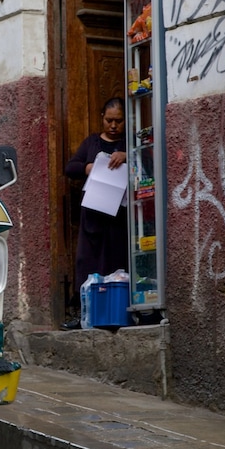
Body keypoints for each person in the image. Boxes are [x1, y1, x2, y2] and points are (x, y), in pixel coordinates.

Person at [61, 97, 128, 330]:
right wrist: (88, 167)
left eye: (118, 121)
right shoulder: (91, 143)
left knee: (117, 264)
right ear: (102, 117)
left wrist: (127, 155)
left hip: (119, 218)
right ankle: (84, 315)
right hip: (93, 215)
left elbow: (148, 159)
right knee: (87, 264)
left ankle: (117, 312)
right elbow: (70, 167)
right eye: (109, 120)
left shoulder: (130, 143)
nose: (113, 126)